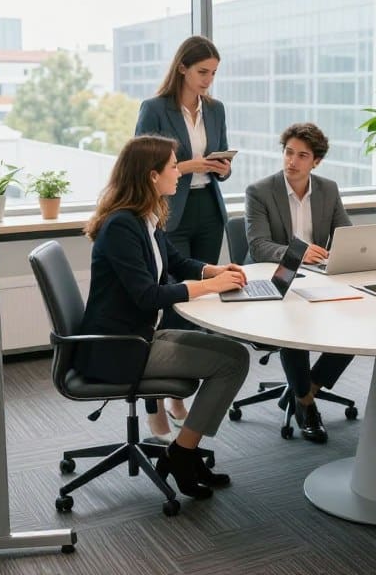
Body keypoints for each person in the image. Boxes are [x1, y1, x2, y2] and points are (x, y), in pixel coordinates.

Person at [77, 135, 250, 499]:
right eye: (173, 166)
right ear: (152, 175)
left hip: (141, 336)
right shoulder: (122, 225)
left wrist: (214, 269)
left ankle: (183, 451)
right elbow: (147, 296)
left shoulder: (145, 218)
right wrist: (211, 286)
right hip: (119, 348)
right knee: (233, 362)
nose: (179, 171)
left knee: (232, 354)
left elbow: (177, 262)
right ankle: (182, 454)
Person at [135, 36, 232, 439]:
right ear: (182, 69)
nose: (209, 80)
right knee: (168, 302)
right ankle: (155, 398)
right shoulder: (155, 109)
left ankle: (181, 390)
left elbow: (221, 155)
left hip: (207, 208)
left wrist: (222, 168)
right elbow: (141, 161)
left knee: (202, 298)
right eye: (202, 72)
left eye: (213, 73)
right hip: (170, 213)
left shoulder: (215, 109)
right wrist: (191, 164)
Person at [244, 123, 353, 443]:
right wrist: (299, 252)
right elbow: (258, 246)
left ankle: (306, 387)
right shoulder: (260, 190)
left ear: (315, 161)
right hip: (275, 279)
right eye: (288, 152)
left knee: (358, 323)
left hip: (316, 279)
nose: (292, 160)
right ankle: (305, 403)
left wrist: (346, 251)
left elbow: (345, 233)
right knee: (294, 329)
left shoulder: (328, 189)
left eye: (302, 155)